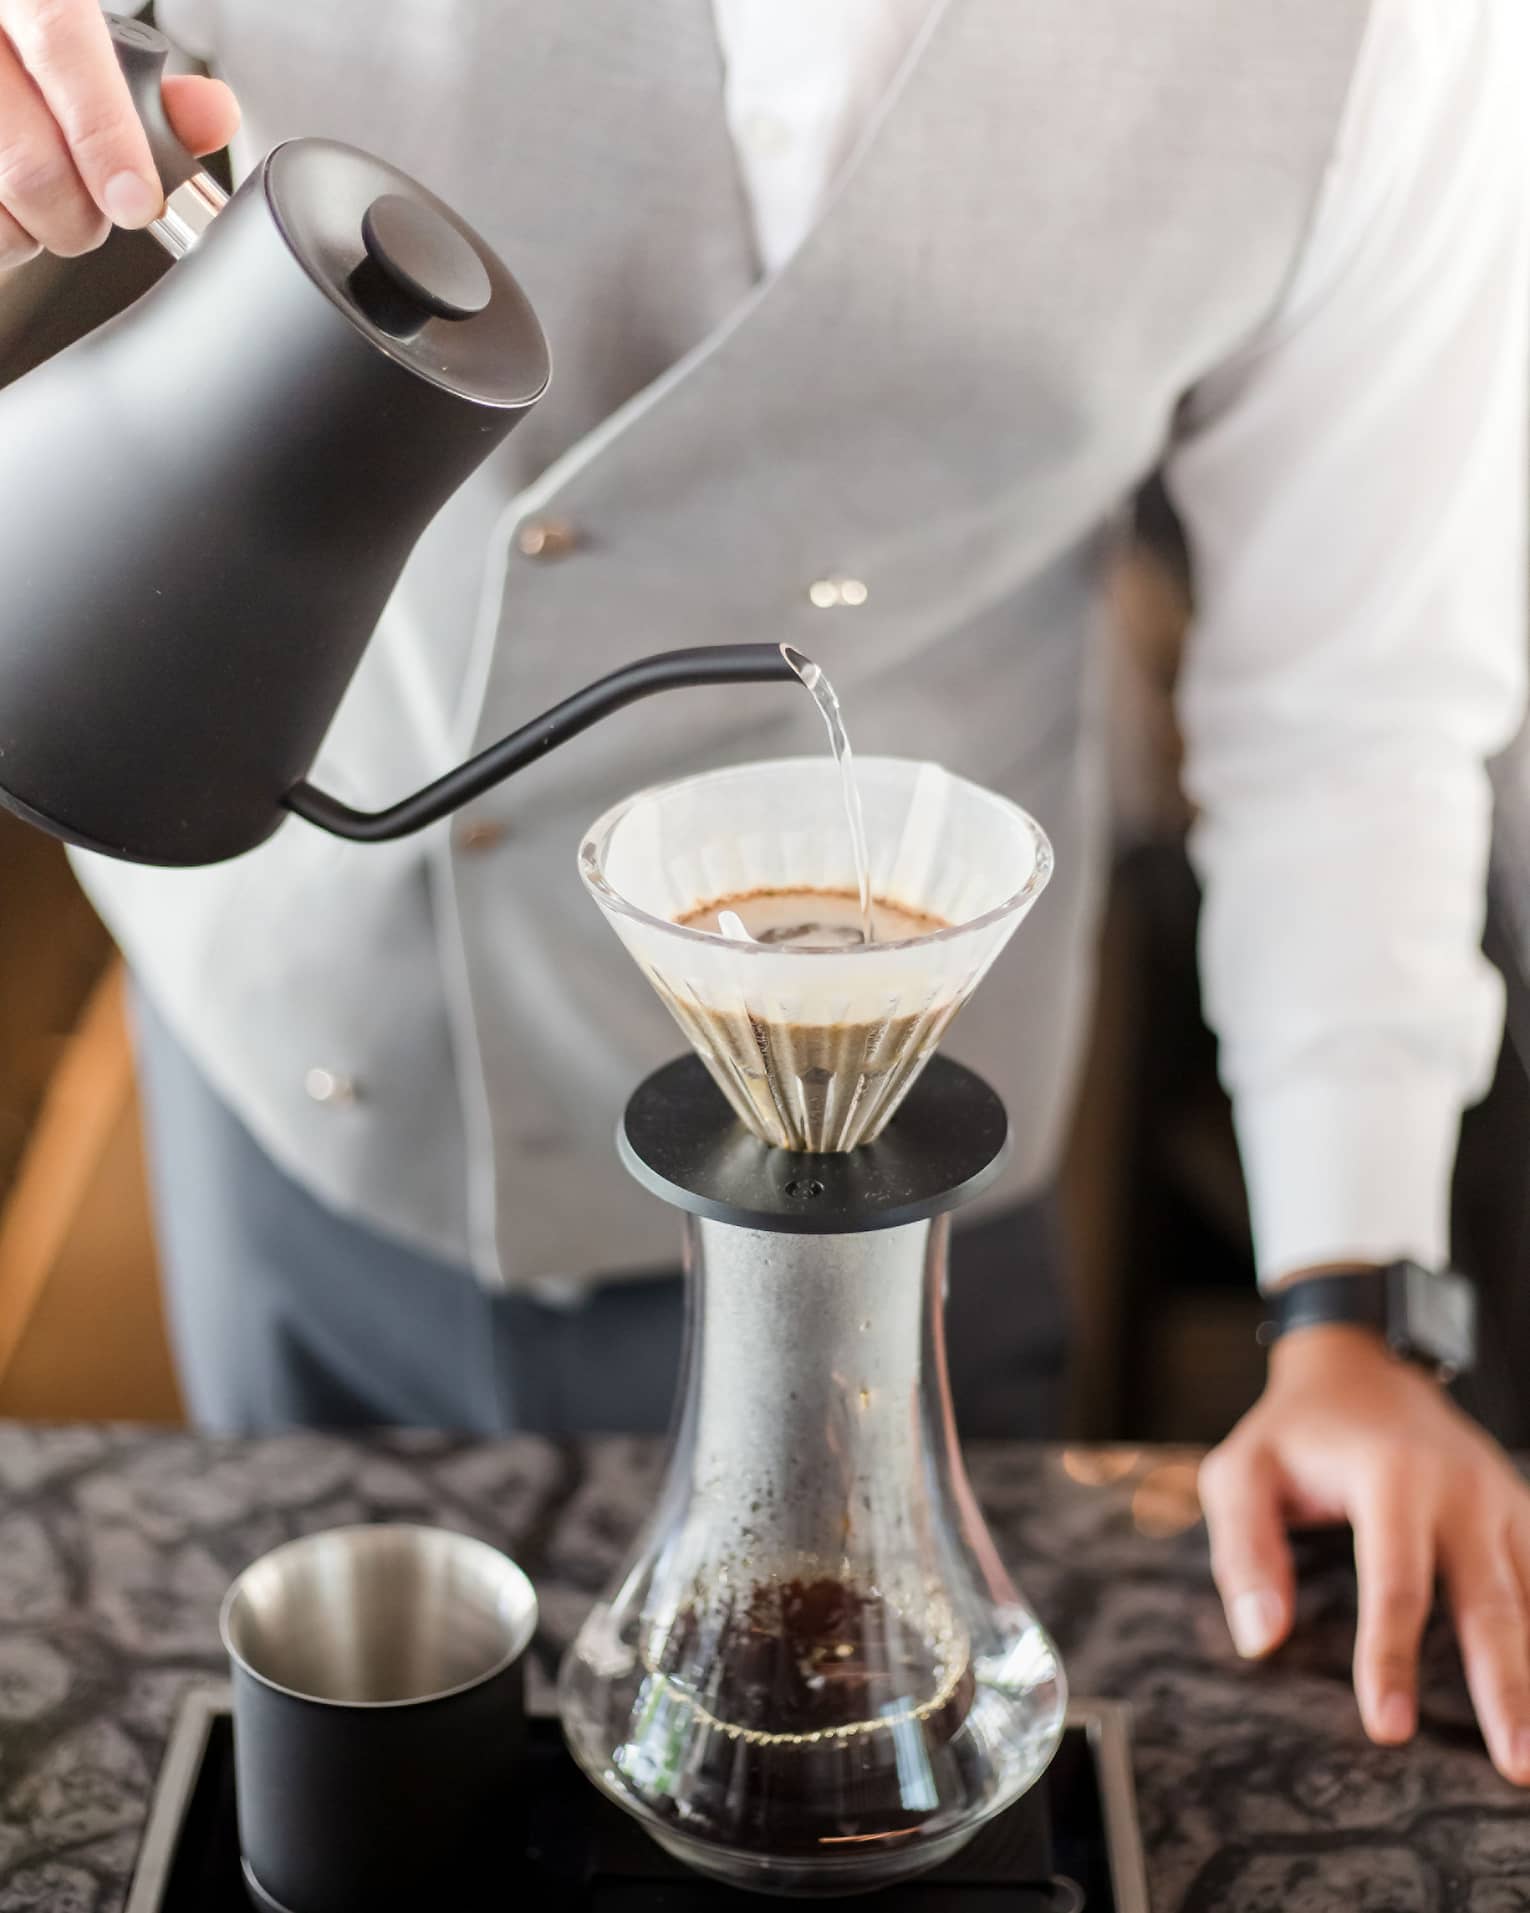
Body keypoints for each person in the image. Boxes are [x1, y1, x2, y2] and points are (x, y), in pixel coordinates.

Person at [2, 0, 1528, 1781]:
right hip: (309, 1082)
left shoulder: (1390, 38)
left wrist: (1351, 1311)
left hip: (911, 1177)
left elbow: (1350, 698)